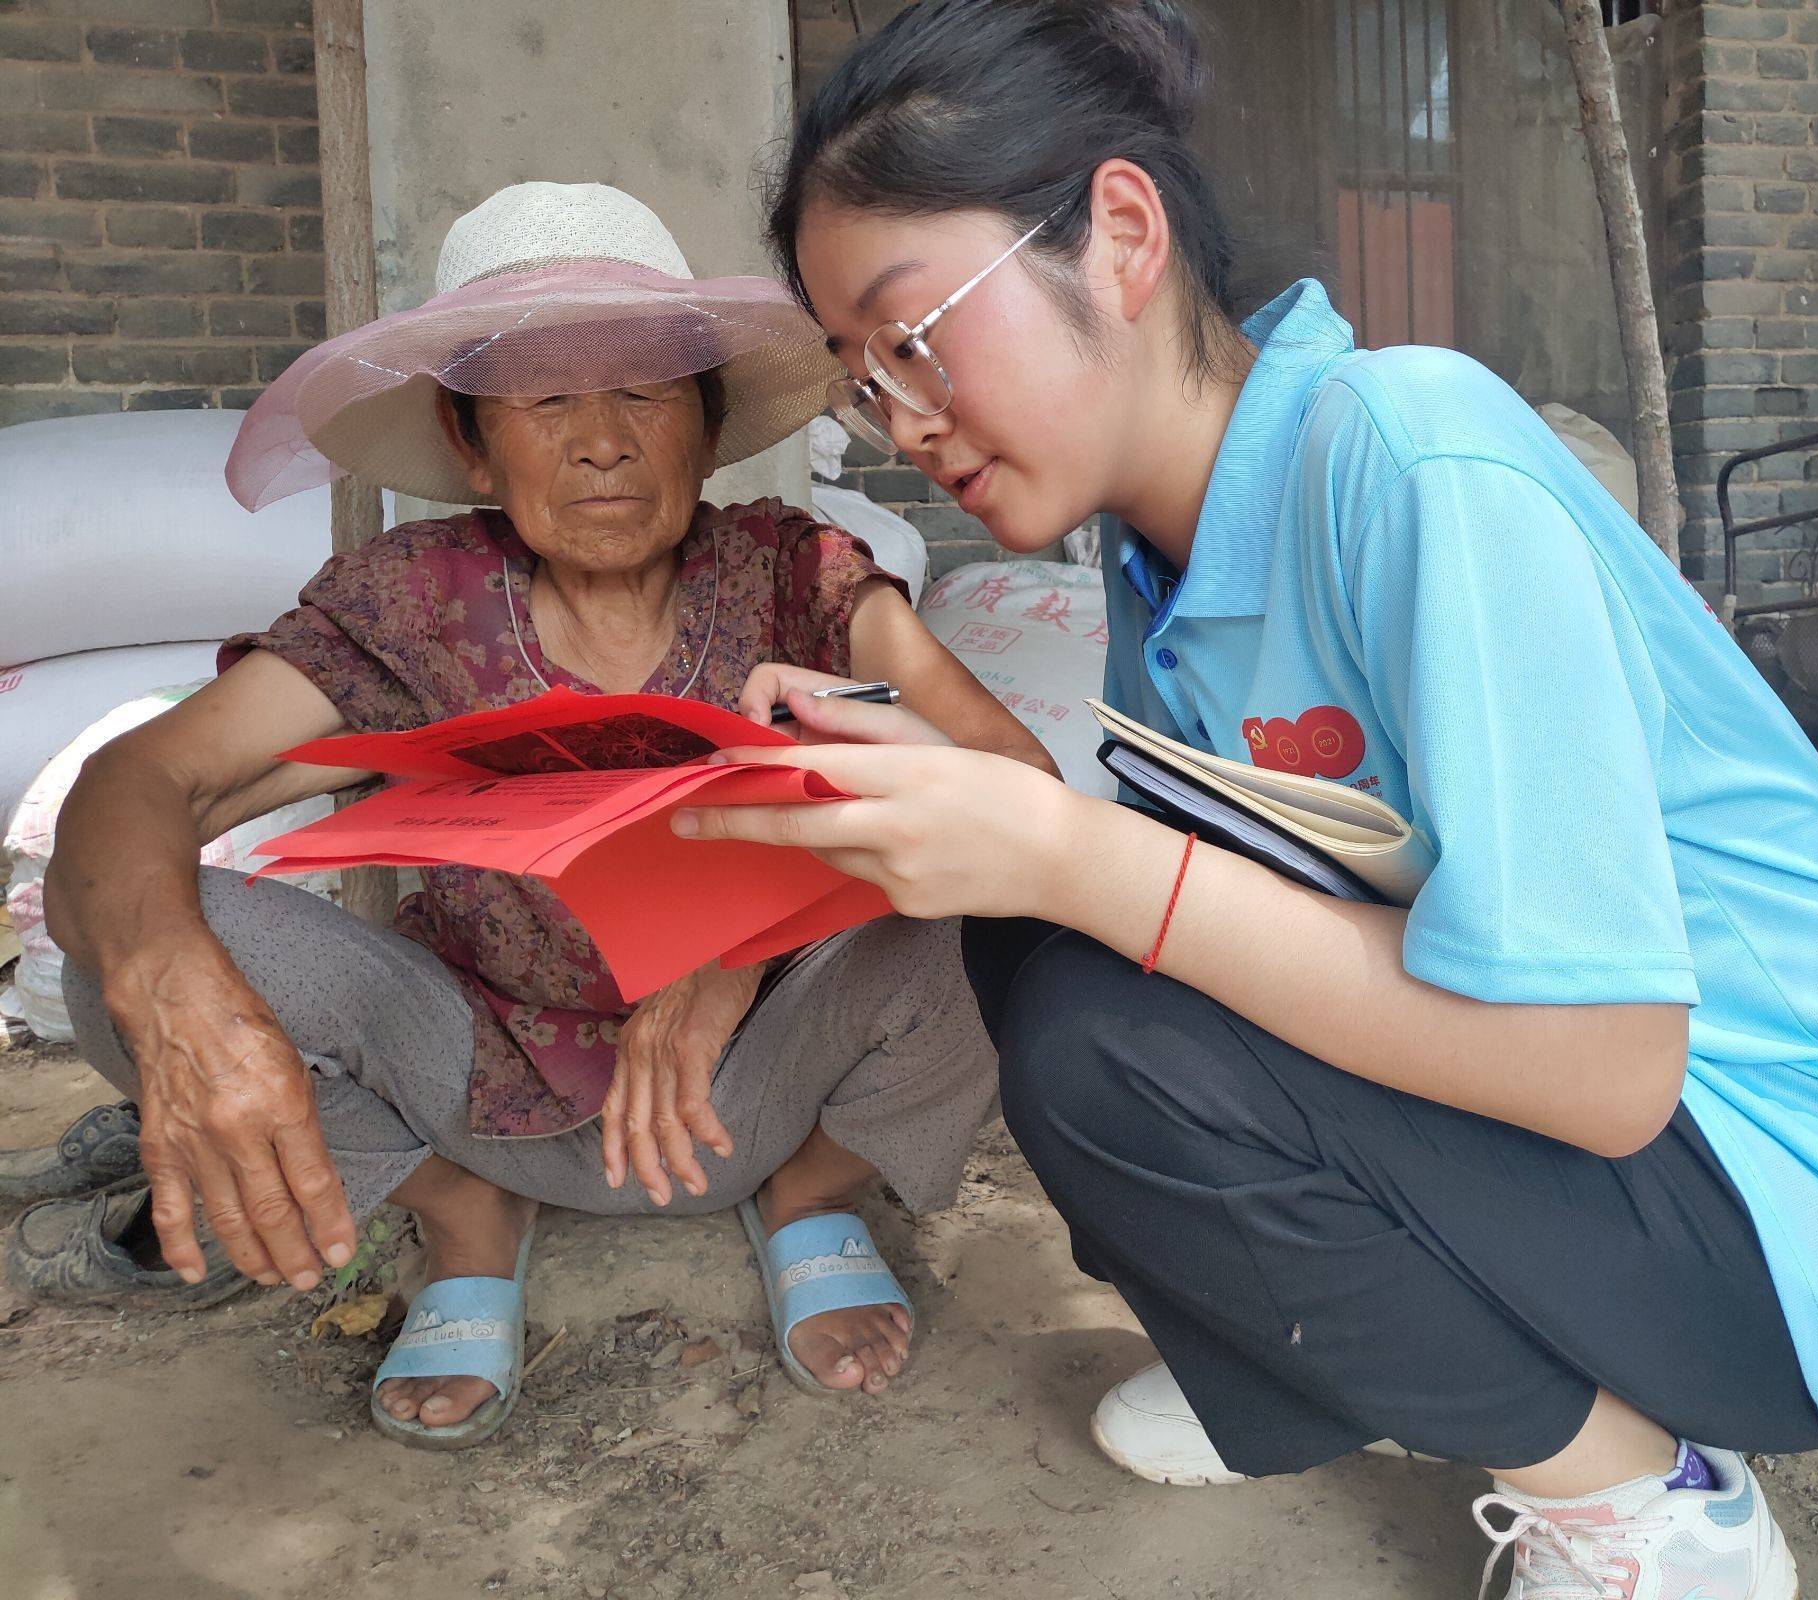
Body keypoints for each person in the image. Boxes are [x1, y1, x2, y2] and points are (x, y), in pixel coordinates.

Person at [670, 3, 1818, 1594]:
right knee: (1040, 950)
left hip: (1797, 1215)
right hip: (1635, 1168)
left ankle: (1652, 1507)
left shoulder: (1408, 458)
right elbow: (1242, 895)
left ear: (1121, 232)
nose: (900, 422)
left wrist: (1066, 851)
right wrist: (978, 809)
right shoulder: (1161, 555)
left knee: (1105, 1034)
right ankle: (1323, 1362)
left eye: (913, 337)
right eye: (858, 378)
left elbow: (1604, 1071)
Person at [20, 181, 1051, 1449]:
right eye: (545, 400)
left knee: (1014, 913)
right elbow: (144, 782)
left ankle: (813, 1191)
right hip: (471, 1078)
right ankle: (461, 1215)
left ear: (708, 422)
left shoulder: (799, 571)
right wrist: (176, 987)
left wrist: (738, 959)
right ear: (471, 446)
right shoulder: (408, 603)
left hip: (769, 1075)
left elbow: (1019, 786)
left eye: (643, 392)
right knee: (124, 949)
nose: (601, 441)